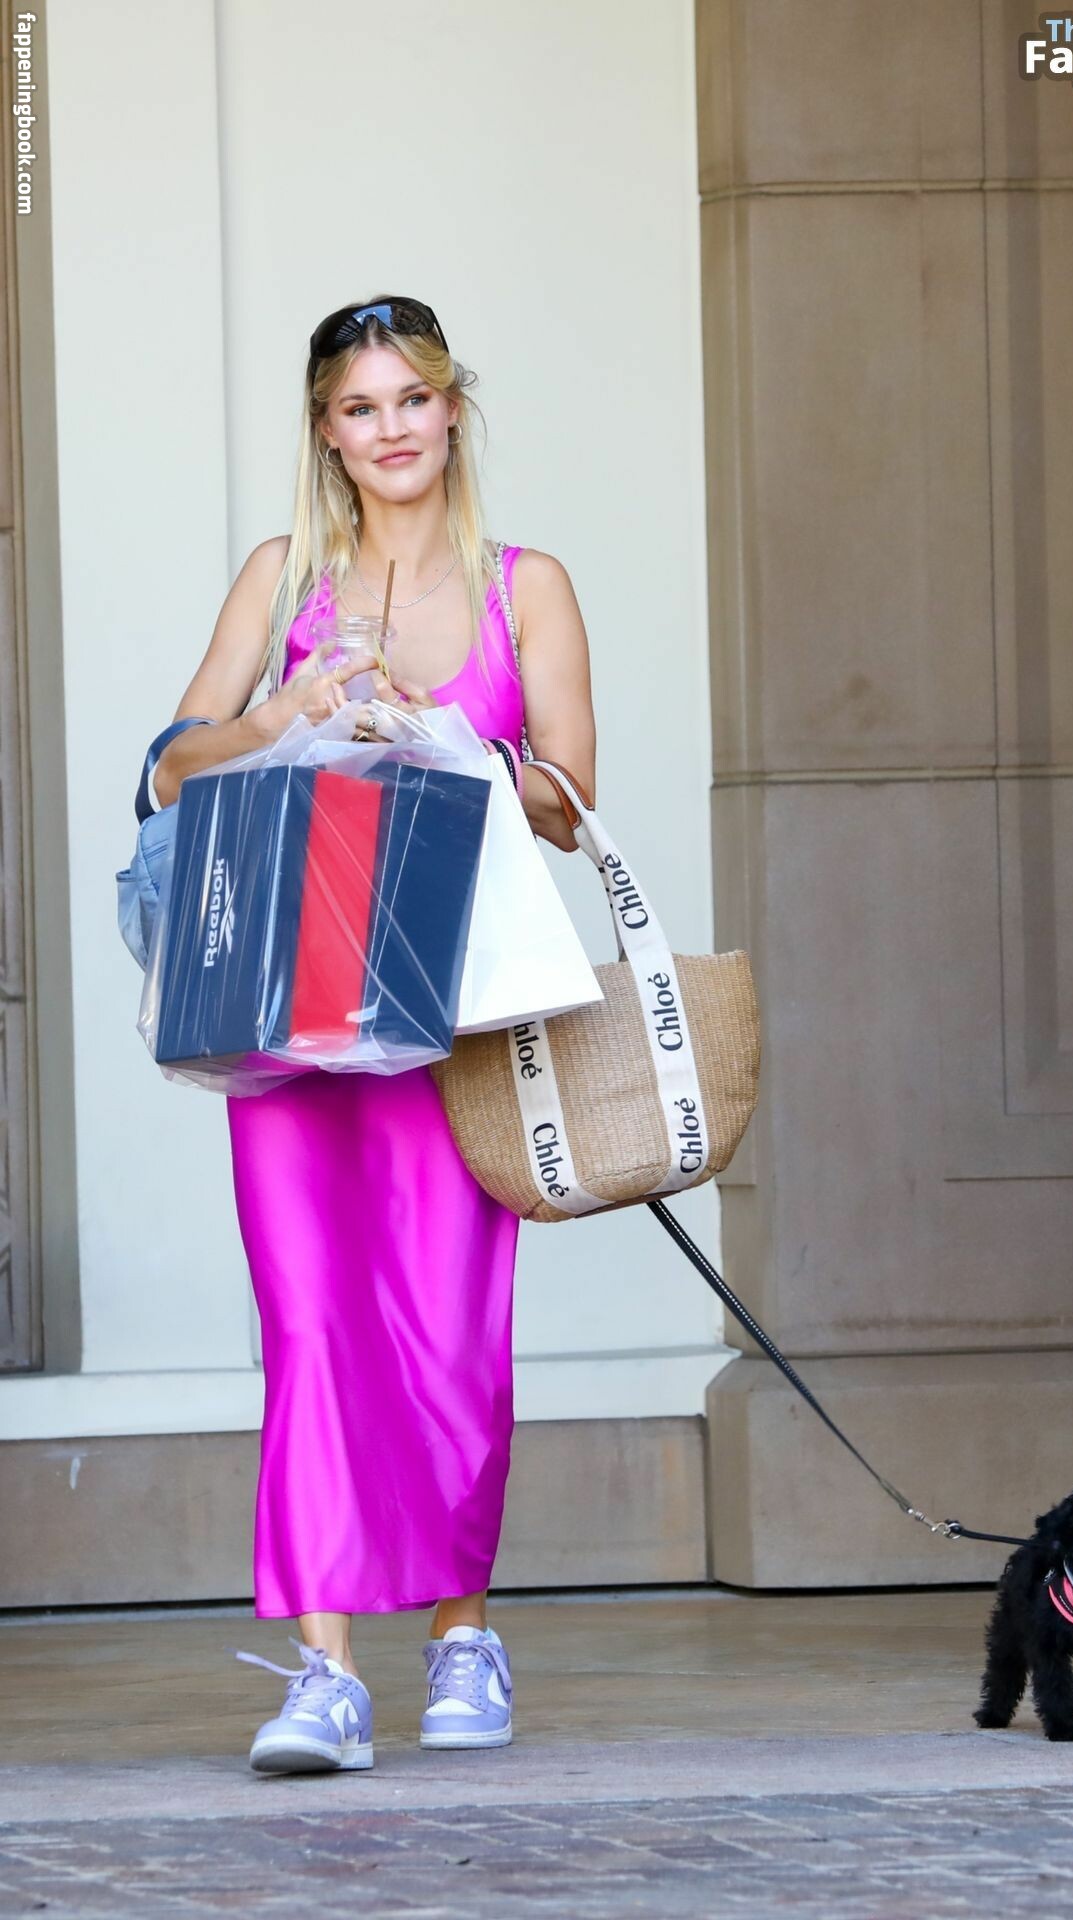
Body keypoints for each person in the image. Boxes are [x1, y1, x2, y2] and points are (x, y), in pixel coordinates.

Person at [151, 295, 597, 1772]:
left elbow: (571, 801)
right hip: (288, 1015)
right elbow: (173, 769)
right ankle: (326, 1672)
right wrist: (288, 713)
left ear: (454, 409)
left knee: (449, 1333)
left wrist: (453, 744)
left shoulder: (527, 586)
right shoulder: (284, 577)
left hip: (448, 1016)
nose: (391, 428)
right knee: (312, 1328)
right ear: (327, 432)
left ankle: (464, 1638)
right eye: (361, 407)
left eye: (413, 398)